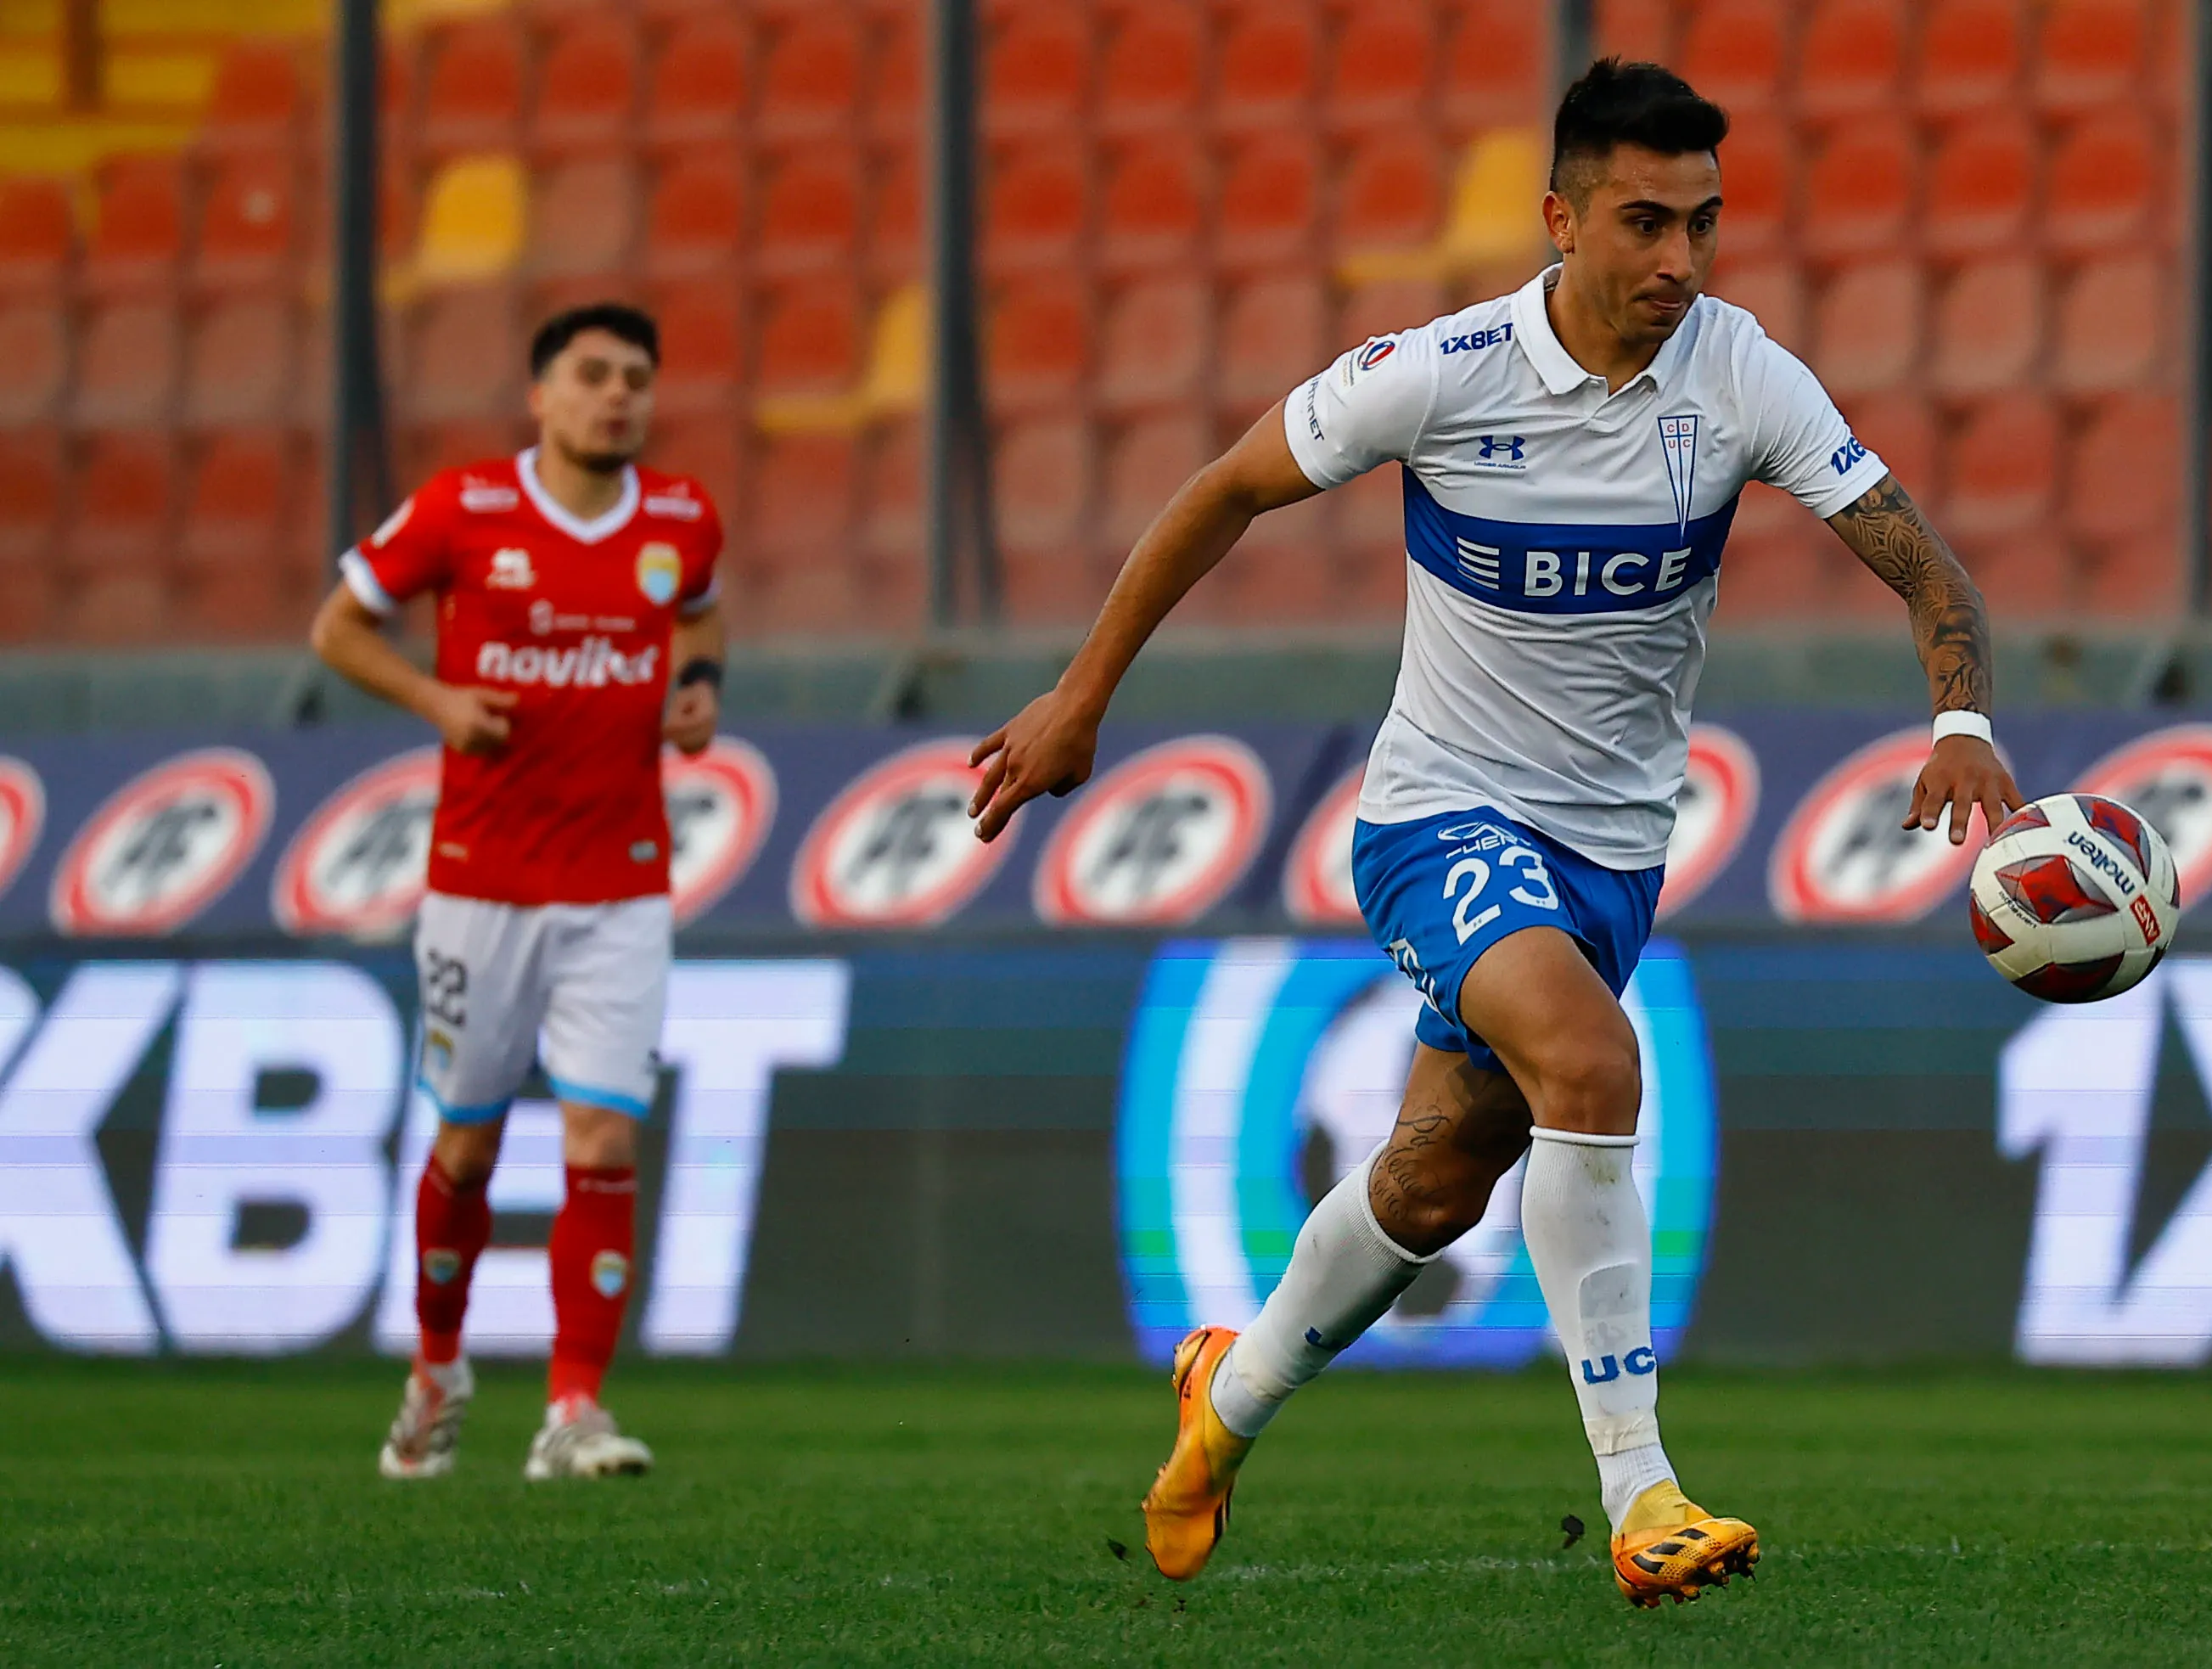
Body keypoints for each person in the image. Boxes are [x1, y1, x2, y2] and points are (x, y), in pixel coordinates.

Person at [967, 61, 2022, 1606]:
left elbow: (1928, 570)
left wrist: (1960, 722)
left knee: (1434, 1181)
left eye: (1704, 223)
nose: (1680, 259)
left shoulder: (1742, 374)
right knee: (1593, 1063)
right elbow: (1225, 488)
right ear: (1561, 219)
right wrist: (1081, 697)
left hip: (1614, 853)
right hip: (1437, 814)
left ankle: (1223, 1400)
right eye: (1645, 222)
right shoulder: (1440, 373)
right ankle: (1642, 1494)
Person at [308, 302, 727, 1481]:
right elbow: (338, 627)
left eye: (636, 377)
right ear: (540, 395)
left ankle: (574, 1406)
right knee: (466, 1147)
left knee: (603, 1132)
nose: (618, 395)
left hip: (621, 882)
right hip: (479, 884)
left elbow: (700, 615)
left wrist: (700, 687)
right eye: (592, 374)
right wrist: (437, 702)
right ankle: (437, 1371)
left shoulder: (682, 519)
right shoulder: (463, 509)